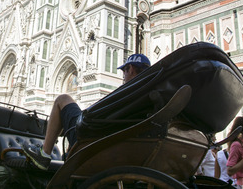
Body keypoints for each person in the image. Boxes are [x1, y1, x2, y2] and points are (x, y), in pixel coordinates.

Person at [22, 54, 151, 170]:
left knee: (62, 99)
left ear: (131, 69)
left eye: (124, 70)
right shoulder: (147, 94)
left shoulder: (128, 91)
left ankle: (44, 154)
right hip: (121, 148)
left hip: (92, 141)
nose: (123, 75)